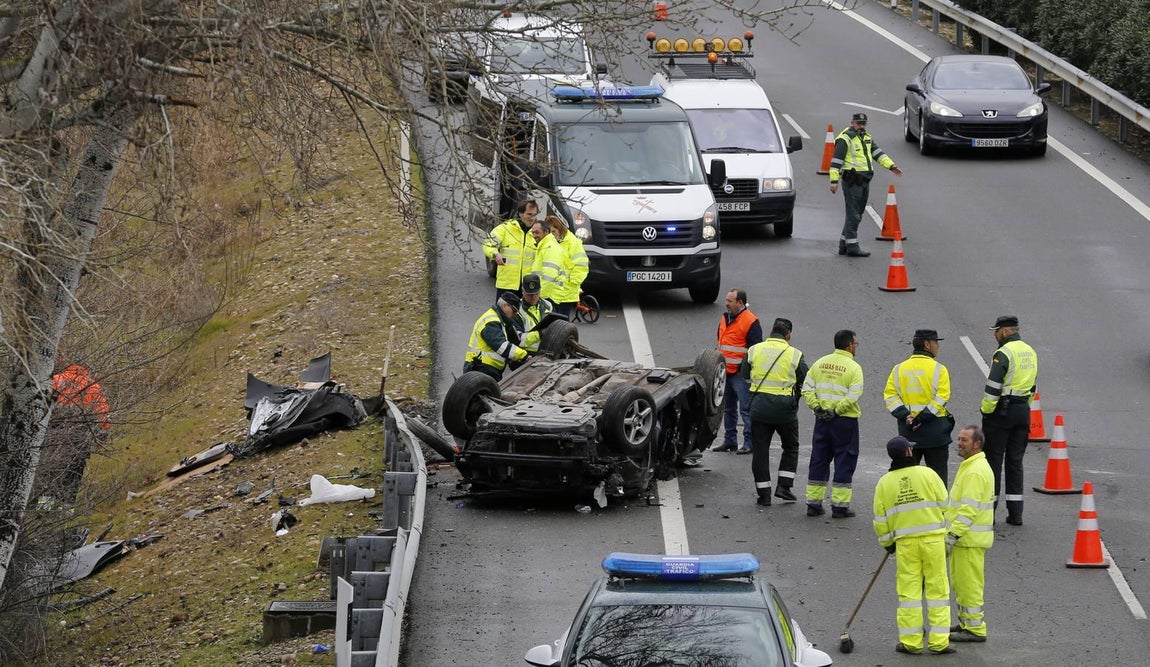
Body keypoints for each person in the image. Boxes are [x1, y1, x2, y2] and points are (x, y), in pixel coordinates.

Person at [873, 436, 954, 656]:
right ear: (908, 453)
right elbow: (946, 505)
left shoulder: (884, 483)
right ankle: (939, 642)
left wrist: (888, 544)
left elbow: (880, 520)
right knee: (938, 590)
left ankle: (911, 642)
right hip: (933, 541)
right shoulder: (928, 474)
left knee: (909, 593)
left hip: (905, 545)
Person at [741, 318, 807, 505]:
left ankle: (764, 495)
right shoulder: (794, 354)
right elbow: (805, 378)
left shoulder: (754, 350)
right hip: (785, 410)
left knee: (760, 450)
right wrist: (795, 398)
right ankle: (784, 487)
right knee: (791, 447)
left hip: (759, 408)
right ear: (788, 335)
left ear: (771, 332)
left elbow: (744, 374)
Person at [980, 315, 1037, 526]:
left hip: (1002, 412)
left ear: (1004, 331)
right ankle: (1016, 514)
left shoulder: (1003, 353)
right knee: (1015, 462)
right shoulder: (1030, 351)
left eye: (996, 331)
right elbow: (1033, 386)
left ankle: (989, 513)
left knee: (993, 461)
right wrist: (1025, 407)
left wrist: (986, 411)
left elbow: (994, 386)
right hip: (1023, 410)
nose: (995, 335)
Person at [802, 330, 863, 517]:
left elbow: (807, 389)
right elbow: (853, 395)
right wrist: (836, 411)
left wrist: (818, 408)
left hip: (821, 421)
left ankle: (813, 505)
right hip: (844, 422)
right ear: (849, 345)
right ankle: (839, 507)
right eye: (856, 344)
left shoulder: (820, 363)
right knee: (844, 460)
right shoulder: (854, 368)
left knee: (819, 459)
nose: (856, 347)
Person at [883, 329, 955, 485]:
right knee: (937, 480)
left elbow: (890, 396)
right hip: (935, 433)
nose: (938, 346)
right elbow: (942, 397)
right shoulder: (939, 369)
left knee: (907, 479)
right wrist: (921, 418)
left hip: (908, 434)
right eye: (936, 342)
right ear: (927, 344)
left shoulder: (898, 369)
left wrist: (906, 416)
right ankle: (939, 510)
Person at [828, 112, 903, 257]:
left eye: (863, 124)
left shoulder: (866, 137)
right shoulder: (845, 139)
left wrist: (891, 166)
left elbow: (877, 153)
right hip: (852, 181)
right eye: (859, 124)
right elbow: (836, 161)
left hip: (864, 181)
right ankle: (852, 246)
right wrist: (833, 181)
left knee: (857, 214)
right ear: (852, 123)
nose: (861, 126)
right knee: (854, 214)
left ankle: (843, 244)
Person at [946, 425, 994, 644]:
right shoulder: (971, 465)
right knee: (962, 583)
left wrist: (953, 535)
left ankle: (975, 628)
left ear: (977, 444)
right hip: (967, 540)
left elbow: (968, 509)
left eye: (964, 440)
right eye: (959, 439)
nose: (959, 443)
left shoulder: (975, 471)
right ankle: (967, 622)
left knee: (969, 585)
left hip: (968, 539)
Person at [711, 289, 762, 454]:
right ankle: (730, 440)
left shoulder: (750, 321)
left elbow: (755, 349)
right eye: (726, 300)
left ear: (740, 303)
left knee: (745, 409)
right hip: (725, 372)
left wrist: (745, 369)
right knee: (728, 408)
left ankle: (749, 442)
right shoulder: (725, 318)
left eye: (730, 301)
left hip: (740, 375)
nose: (726, 304)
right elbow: (720, 342)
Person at [462, 292, 528, 381]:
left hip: (485, 368)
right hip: (481, 368)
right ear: (505, 306)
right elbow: (501, 346)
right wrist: (524, 355)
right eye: (514, 310)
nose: (515, 314)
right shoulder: (491, 321)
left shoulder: (499, 319)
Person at [533, 214, 588, 320]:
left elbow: (581, 264)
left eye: (554, 231)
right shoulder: (550, 243)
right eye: (550, 232)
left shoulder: (573, 242)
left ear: (560, 229)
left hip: (566, 290)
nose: (552, 235)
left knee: (562, 322)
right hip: (553, 290)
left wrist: (572, 282)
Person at [483, 199, 540, 299]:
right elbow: (488, 244)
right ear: (520, 214)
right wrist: (495, 254)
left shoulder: (538, 232)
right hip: (507, 285)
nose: (532, 218)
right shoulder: (505, 228)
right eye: (529, 214)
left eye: (535, 215)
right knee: (503, 314)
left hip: (528, 287)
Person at [518, 273, 553, 354]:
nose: (533, 297)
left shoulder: (548, 305)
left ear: (540, 290)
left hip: (547, 352)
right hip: (526, 354)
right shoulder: (516, 310)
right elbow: (517, 340)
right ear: (522, 291)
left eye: (536, 294)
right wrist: (540, 334)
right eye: (529, 295)